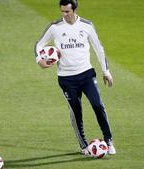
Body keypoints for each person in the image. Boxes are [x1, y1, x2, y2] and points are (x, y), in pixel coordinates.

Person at [34, 0, 116, 155]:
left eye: (67, 11)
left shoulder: (87, 26)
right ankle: (84, 145)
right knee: (76, 112)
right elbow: (39, 44)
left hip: (86, 74)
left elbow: (99, 48)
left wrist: (106, 71)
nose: (64, 14)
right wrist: (40, 60)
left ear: (75, 10)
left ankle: (109, 140)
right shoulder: (55, 27)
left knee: (98, 105)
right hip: (66, 78)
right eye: (62, 11)